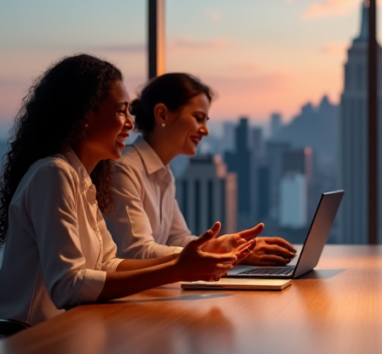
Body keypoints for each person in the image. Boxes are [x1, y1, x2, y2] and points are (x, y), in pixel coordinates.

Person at [0, 55, 254, 326]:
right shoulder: (53, 174)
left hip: (60, 332)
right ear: (86, 114)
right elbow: (68, 286)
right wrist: (177, 269)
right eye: (121, 111)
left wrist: (192, 259)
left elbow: (108, 264)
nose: (130, 123)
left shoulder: (82, 180)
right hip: (21, 341)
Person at [106, 73, 297, 265]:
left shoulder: (163, 174)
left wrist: (226, 247)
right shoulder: (124, 170)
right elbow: (136, 252)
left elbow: (177, 239)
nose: (205, 130)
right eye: (198, 118)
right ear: (162, 114)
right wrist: (224, 256)